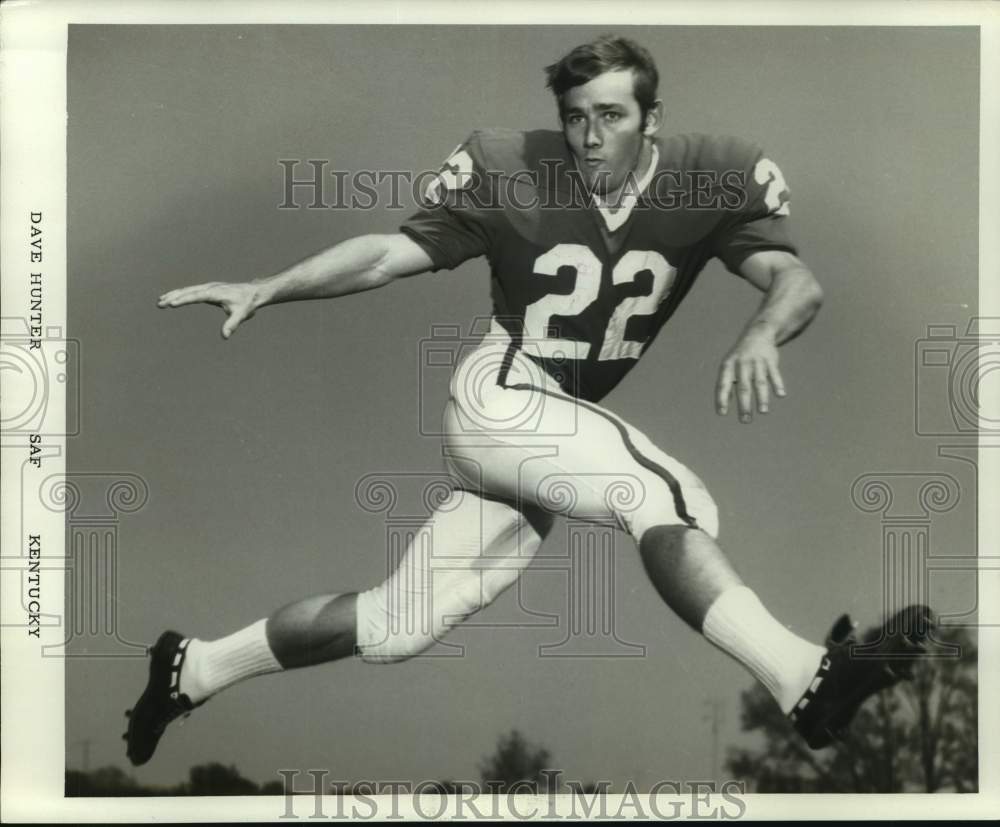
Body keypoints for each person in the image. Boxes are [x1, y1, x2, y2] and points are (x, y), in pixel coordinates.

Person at [125, 35, 932, 767]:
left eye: (611, 115)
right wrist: (272, 286)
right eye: (575, 116)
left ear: (654, 119)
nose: (589, 137)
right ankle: (804, 676)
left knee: (395, 623)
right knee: (662, 493)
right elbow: (384, 256)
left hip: (544, 434)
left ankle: (192, 666)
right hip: (502, 395)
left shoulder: (713, 172)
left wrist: (761, 333)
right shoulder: (510, 166)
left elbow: (797, 280)